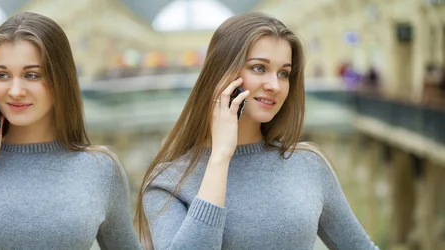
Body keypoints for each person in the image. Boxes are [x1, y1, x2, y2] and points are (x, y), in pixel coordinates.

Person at [135, 12, 379, 250]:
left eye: (283, 73)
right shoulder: (167, 182)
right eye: (259, 68)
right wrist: (220, 157)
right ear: (222, 74)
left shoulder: (309, 166)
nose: (274, 85)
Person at [0, 12, 140, 249]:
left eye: (31, 75)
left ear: (60, 80)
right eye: (2, 75)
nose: (15, 91)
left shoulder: (101, 169)